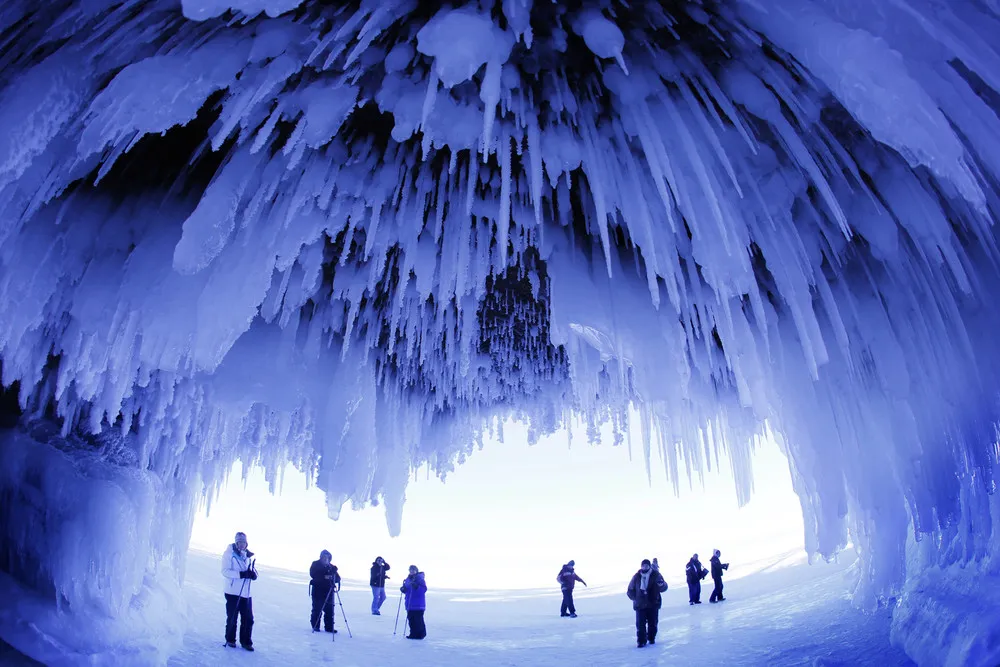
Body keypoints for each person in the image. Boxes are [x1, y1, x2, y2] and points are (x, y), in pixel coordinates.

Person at [221, 531, 257, 651]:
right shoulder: (228, 554)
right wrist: (240, 574)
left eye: (244, 542)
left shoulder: (248, 555)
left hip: (246, 593)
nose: (242, 544)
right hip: (232, 591)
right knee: (232, 617)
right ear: (236, 542)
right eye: (240, 542)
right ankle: (230, 639)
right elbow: (225, 571)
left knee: (248, 618)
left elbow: (252, 570)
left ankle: (246, 642)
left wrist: (253, 574)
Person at [626, 558, 668, 648]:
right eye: (643, 565)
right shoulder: (636, 576)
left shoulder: (656, 575)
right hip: (640, 604)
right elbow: (630, 590)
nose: (645, 567)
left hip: (653, 603)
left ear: (649, 566)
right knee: (640, 624)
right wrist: (635, 598)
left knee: (653, 623)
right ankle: (641, 641)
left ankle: (651, 638)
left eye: (646, 565)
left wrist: (662, 585)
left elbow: (664, 588)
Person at [309, 549, 340, 632]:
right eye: (324, 557)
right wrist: (325, 575)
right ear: (321, 557)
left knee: (330, 610)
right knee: (317, 609)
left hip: (329, 591)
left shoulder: (331, 567)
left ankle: (329, 627)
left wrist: (333, 575)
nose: (326, 558)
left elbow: (338, 578)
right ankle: (315, 626)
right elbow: (313, 574)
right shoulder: (315, 564)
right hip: (318, 590)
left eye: (327, 557)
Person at [401, 565, 427, 639]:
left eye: (413, 570)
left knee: (418, 620)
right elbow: (407, 589)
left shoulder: (420, 579)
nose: (412, 571)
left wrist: (417, 587)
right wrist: (404, 589)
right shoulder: (408, 579)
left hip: (418, 604)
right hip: (409, 603)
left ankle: (421, 634)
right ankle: (413, 634)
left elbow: (423, 590)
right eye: (410, 570)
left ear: (416, 570)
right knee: (411, 620)